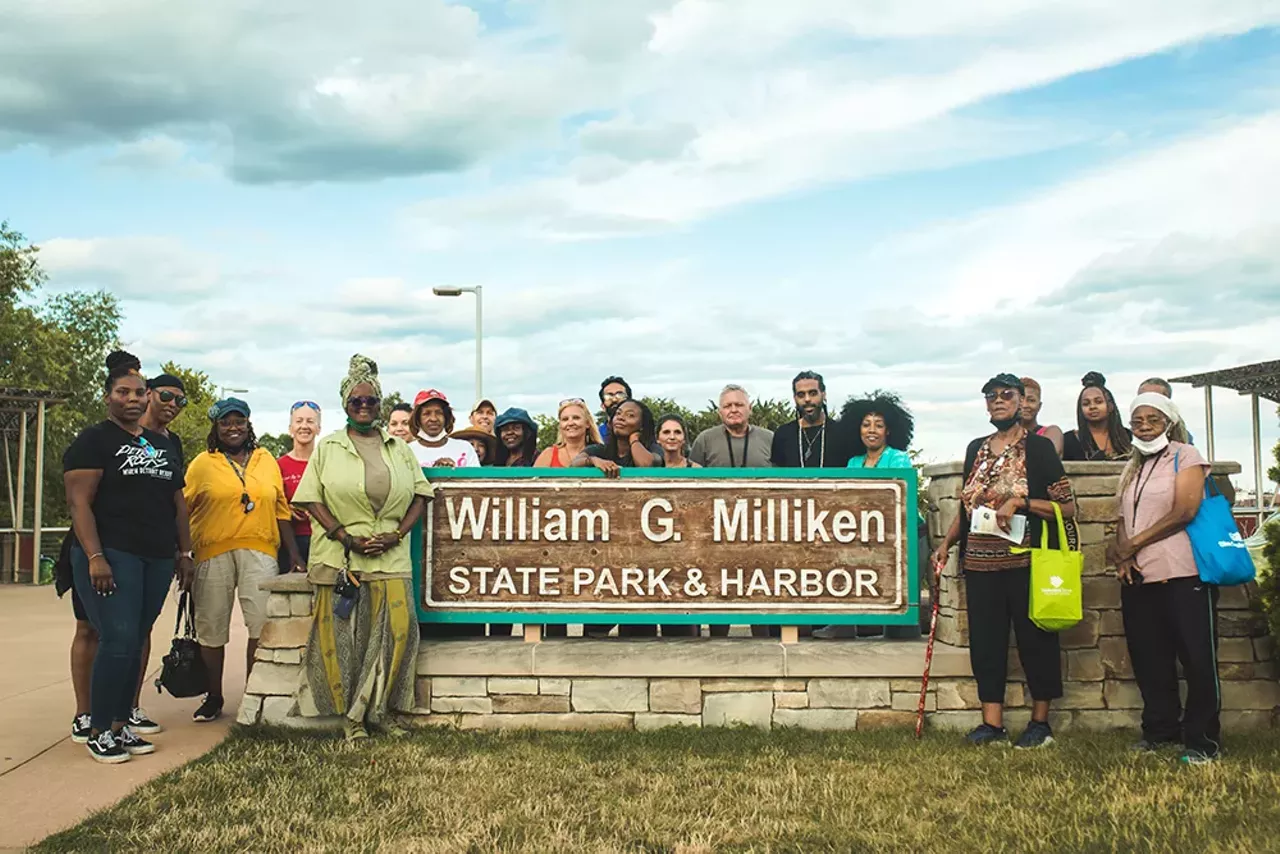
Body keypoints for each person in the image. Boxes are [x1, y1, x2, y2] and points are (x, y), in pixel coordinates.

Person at [931, 373, 1076, 749]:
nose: (998, 401)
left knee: (1035, 642)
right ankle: (991, 724)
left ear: (1022, 402)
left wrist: (1021, 502)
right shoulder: (976, 449)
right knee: (987, 644)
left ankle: (1039, 722)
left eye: (1006, 395)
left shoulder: (1039, 449)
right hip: (980, 564)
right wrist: (946, 543)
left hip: (1025, 562)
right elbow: (966, 507)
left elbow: (1067, 506)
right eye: (991, 396)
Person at [63, 351, 195, 763]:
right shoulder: (94, 440)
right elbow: (79, 504)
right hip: (112, 553)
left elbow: (178, 502)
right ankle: (99, 729)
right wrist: (94, 556)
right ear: (108, 397)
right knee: (116, 639)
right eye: (123, 392)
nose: (133, 398)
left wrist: (184, 551)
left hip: (155, 556)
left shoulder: (161, 444)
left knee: (135, 638)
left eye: (140, 392)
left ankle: (121, 724)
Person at [294, 355, 432, 741]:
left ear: (380, 404)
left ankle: (381, 711)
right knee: (345, 640)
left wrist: (398, 533)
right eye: (357, 401)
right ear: (345, 405)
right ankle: (351, 719)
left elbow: (422, 495)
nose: (365, 406)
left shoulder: (400, 449)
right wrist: (344, 536)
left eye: (371, 400)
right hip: (342, 556)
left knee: (398, 634)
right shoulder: (328, 448)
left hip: (391, 554)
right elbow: (310, 499)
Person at [1109, 392, 1221, 764]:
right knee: (1150, 659)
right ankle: (1160, 732)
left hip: (1183, 573)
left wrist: (1134, 544)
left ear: (1169, 423)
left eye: (1152, 420)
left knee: (1196, 658)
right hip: (1141, 577)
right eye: (1137, 420)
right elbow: (1123, 517)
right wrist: (1122, 553)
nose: (1143, 426)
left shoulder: (1184, 456)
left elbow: (1184, 511)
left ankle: (1203, 741)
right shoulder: (1134, 466)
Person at [185, 398, 303, 723]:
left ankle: (253, 693)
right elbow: (183, 509)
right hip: (212, 551)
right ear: (216, 427)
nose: (233, 427)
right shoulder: (202, 463)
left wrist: (293, 554)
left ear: (249, 423)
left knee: (262, 625)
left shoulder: (266, 460)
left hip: (261, 549)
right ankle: (214, 696)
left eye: (239, 421)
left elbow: (281, 508)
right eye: (226, 422)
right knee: (211, 627)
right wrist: (181, 554)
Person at [771, 370, 850, 468]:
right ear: (795, 398)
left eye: (813, 393)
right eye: (801, 395)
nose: (807, 399)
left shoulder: (842, 433)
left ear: (823, 394)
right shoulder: (783, 434)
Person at [277, 400, 320, 573]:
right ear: (290, 428)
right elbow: (273, 503)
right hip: (289, 542)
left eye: (310, 421)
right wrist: (288, 509)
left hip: (322, 541)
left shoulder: (326, 463)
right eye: (299, 421)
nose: (304, 426)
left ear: (318, 428)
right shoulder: (278, 465)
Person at [689, 385, 774, 468]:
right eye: (727, 406)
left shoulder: (770, 439)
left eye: (739, 405)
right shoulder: (705, 440)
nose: (734, 410)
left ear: (750, 408)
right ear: (720, 412)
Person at [573, 399, 663, 476]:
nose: (620, 418)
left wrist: (634, 439)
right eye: (618, 413)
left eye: (630, 415)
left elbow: (646, 467)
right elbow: (574, 464)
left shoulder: (653, 449)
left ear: (642, 425)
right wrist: (593, 461)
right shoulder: (601, 450)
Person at [1063, 372, 1132, 461]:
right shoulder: (1069, 440)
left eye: (1098, 402)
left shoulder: (1128, 436)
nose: (1092, 407)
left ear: (1110, 406)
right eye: (1086, 404)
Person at [410, 390, 480, 469]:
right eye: (426, 413)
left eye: (439, 413)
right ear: (417, 419)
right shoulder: (407, 451)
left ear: (446, 417)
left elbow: (476, 480)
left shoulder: (465, 448)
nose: (433, 418)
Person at [535, 399, 602, 468]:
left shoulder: (601, 453)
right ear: (560, 425)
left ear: (587, 423)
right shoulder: (548, 454)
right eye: (565, 419)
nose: (570, 423)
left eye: (576, 418)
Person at [1019, 377, 1064, 458]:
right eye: (1021, 400)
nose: (1025, 405)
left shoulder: (1051, 432)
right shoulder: (1005, 437)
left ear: (1039, 406)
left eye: (1031, 400)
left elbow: (1046, 457)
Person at [597, 376, 632, 443]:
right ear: (603, 406)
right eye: (609, 396)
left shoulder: (642, 433)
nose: (614, 399)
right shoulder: (596, 436)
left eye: (620, 395)